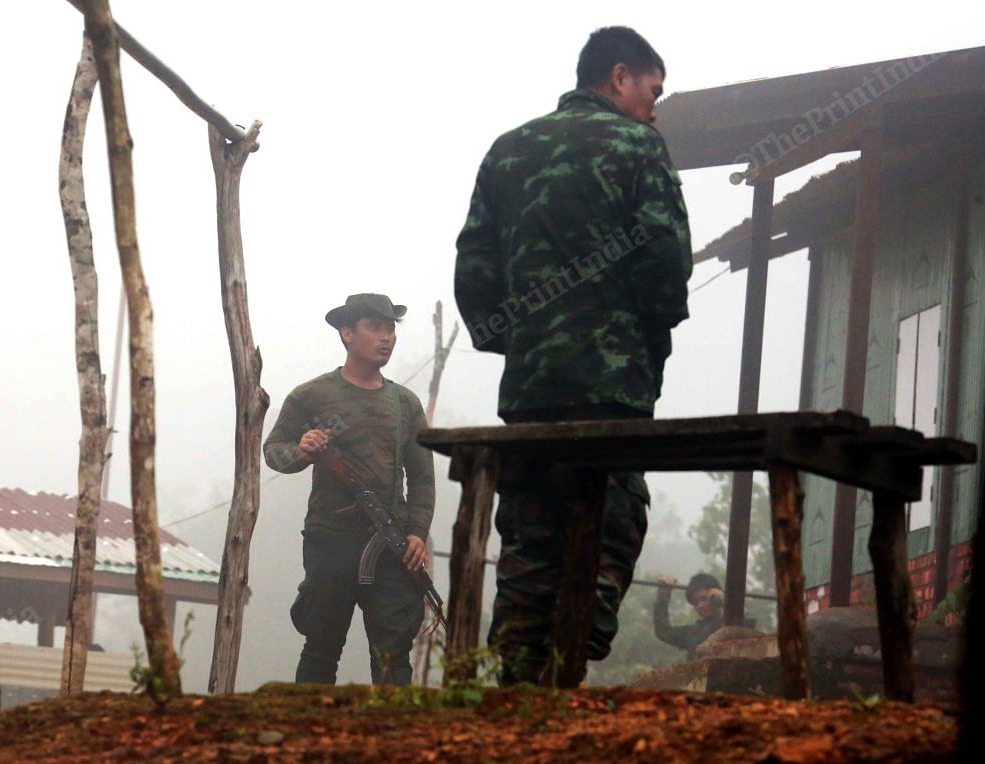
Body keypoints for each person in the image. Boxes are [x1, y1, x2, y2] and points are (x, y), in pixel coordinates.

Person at [454, 26, 692, 685]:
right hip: (613, 384)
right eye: (652, 90)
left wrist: (515, 336)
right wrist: (648, 339)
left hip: (531, 387)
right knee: (609, 518)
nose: (654, 107)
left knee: (530, 532)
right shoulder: (639, 145)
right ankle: (569, 659)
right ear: (619, 77)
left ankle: (520, 679)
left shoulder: (509, 151)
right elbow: (666, 263)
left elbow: (474, 266)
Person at [264, 294, 436, 686]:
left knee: (393, 654)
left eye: (391, 328)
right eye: (375, 327)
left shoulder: (404, 403)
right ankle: (307, 738)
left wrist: (417, 533)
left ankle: (393, 740)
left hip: (392, 544)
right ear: (346, 333)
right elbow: (275, 453)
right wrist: (303, 449)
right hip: (332, 537)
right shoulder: (311, 396)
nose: (386, 338)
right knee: (321, 646)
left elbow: (423, 477)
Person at [653, 573, 725, 659]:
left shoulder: (734, 622)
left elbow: (743, 624)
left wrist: (723, 600)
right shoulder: (693, 633)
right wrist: (663, 593)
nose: (700, 606)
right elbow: (663, 632)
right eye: (695, 603)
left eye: (703, 598)